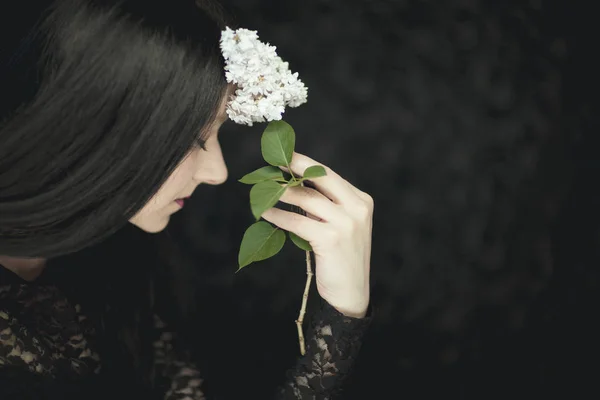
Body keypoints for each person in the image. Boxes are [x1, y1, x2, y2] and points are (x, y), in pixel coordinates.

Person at [0, 0, 374, 399]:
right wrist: (339, 324)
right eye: (192, 140)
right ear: (94, 131)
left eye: (216, 135)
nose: (218, 172)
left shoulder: (112, 254)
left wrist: (341, 307)